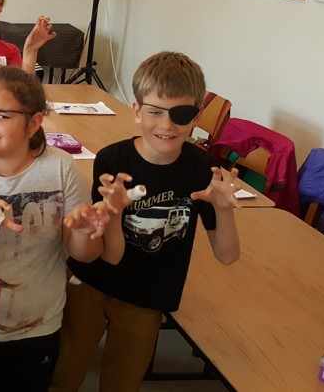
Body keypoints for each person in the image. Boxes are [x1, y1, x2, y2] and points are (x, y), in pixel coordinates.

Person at [50, 52, 241, 392]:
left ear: (196, 116)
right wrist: (113, 213)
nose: (167, 126)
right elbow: (110, 255)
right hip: (90, 286)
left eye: (180, 115)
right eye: (155, 112)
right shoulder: (113, 160)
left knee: (123, 384)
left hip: (148, 298)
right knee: (65, 375)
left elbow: (227, 255)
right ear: (137, 110)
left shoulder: (203, 170)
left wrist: (225, 210)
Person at [0, 66, 115, 391]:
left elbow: (85, 254)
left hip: (37, 327)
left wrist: (85, 231)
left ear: (33, 123)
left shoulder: (61, 169)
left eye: (2, 116)